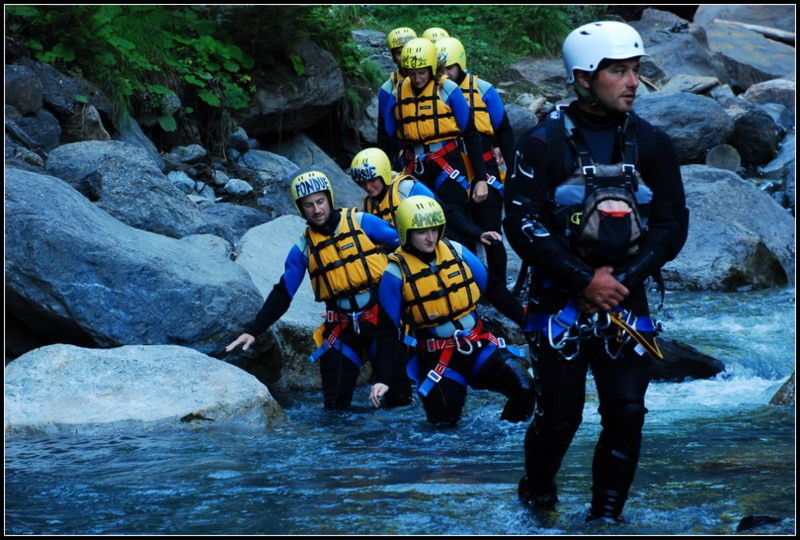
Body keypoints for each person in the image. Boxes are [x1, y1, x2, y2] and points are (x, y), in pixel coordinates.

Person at [502, 21, 689, 523]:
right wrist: (583, 280)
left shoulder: (653, 143)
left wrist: (617, 282)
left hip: (625, 297)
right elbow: (521, 223)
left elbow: (671, 225)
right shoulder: (540, 144)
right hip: (555, 300)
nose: (633, 82)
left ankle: (606, 518)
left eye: (636, 70)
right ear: (584, 79)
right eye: (619, 71)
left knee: (627, 410)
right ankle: (538, 496)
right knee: (560, 416)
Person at [225, 169, 413, 410]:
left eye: (320, 201)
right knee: (335, 410)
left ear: (330, 199)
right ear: (300, 209)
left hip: (380, 322)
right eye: (309, 205)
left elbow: (407, 246)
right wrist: (254, 330)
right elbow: (283, 292)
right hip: (341, 329)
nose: (317, 210)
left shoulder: (362, 223)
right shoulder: (302, 248)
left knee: (400, 401)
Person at [369, 195, 539, 429]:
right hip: (439, 360)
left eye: (434, 229)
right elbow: (388, 331)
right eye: (421, 232)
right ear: (405, 232)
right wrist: (383, 380)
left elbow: (496, 291)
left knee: (525, 389)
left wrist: (530, 325)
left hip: (480, 346)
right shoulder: (394, 273)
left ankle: (501, 444)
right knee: (444, 428)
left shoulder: (457, 251)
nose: (431, 238)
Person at [382, 37, 497, 247]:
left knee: (455, 227)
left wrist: (481, 179)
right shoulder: (397, 92)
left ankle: (466, 273)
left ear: (433, 68)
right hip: (414, 167)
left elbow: (471, 135)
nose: (417, 79)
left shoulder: (448, 90)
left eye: (422, 73)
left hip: (449, 165)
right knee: (418, 224)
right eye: (412, 73)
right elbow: (388, 133)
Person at [436, 36, 514, 285]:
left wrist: (513, 173)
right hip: (452, 172)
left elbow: (504, 131)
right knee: (462, 234)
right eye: (442, 69)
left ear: (460, 64)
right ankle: (467, 286)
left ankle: (499, 287)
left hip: (486, 169)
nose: (446, 74)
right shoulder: (433, 93)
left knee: (491, 229)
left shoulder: (484, 89)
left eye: (450, 68)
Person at [349, 146, 501, 248]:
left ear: (384, 174)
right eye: (362, 183)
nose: (368, 187)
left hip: (427, 250)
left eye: (372, 180)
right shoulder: (370, 203)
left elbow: (446, 213)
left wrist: (478, 233)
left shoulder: (407, 189)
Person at [377, 27, 417, 168]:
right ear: (393, 56)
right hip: (404, 153)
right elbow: (385, 132)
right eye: (400, 53)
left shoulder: (438, 82)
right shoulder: (388, 90)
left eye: (408, 51)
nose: (405, 58)